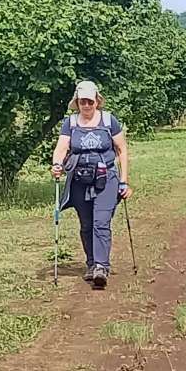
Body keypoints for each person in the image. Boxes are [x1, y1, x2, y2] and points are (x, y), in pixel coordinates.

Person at [50, 81, 132, 289]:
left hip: (106, 179)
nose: (86, 105)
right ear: (77, 103)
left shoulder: (109, 121)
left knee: (101, 222)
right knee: (86, 225)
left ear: (97, 101)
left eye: (90, 101)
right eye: (82, 102)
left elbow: (122, 150)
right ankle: (91, 263)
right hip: (79, 180)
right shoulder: (70, 123)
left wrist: (124, 181)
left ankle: (101, 267)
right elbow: (61, 148)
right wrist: (57, 164)